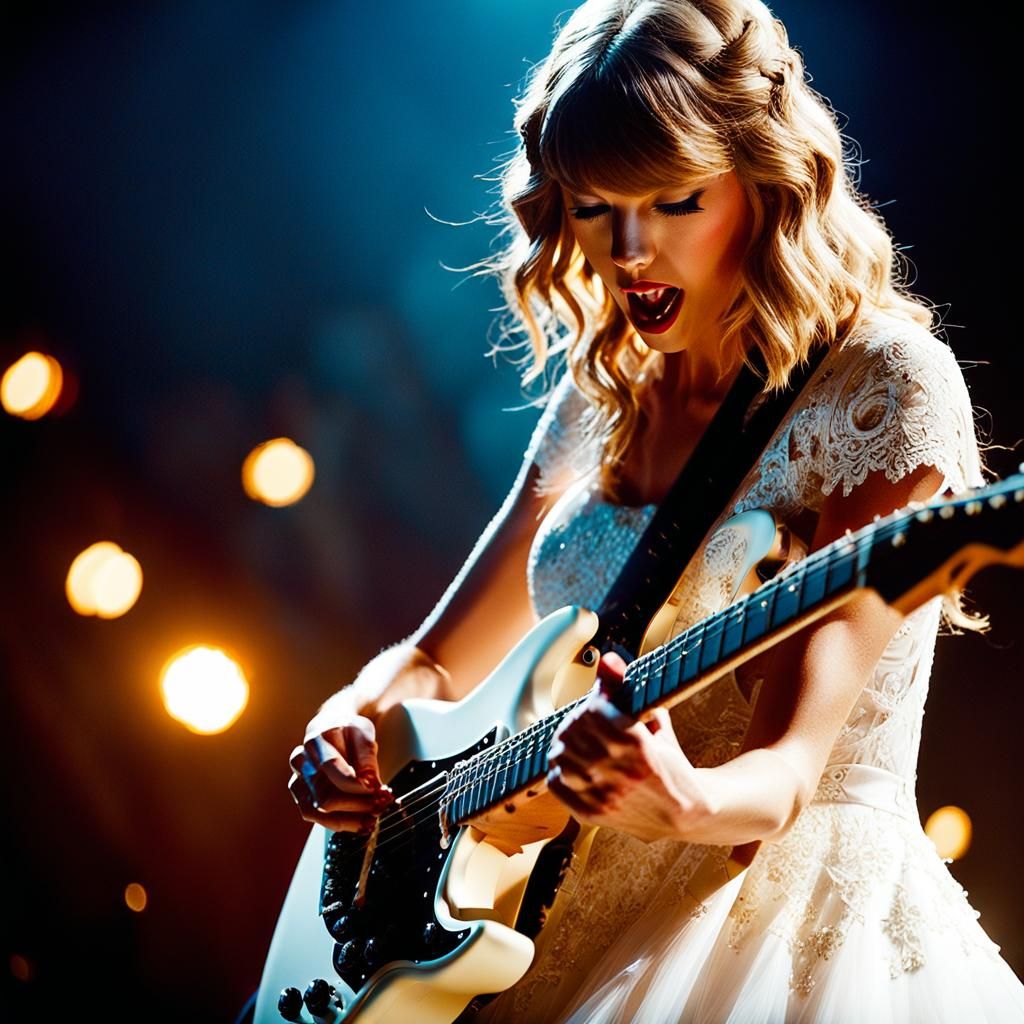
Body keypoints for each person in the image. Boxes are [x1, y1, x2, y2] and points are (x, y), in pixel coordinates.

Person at [287, 1, 1024, 1020]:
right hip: (533, 931)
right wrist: (344, 720)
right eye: (592, 207)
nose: (626, 250)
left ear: (762, 181)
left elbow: (786, 777)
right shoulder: (601, 391)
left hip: (759, 933)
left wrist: (677, 799)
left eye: (674, 200)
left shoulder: (880, 386)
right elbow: (434, 660)